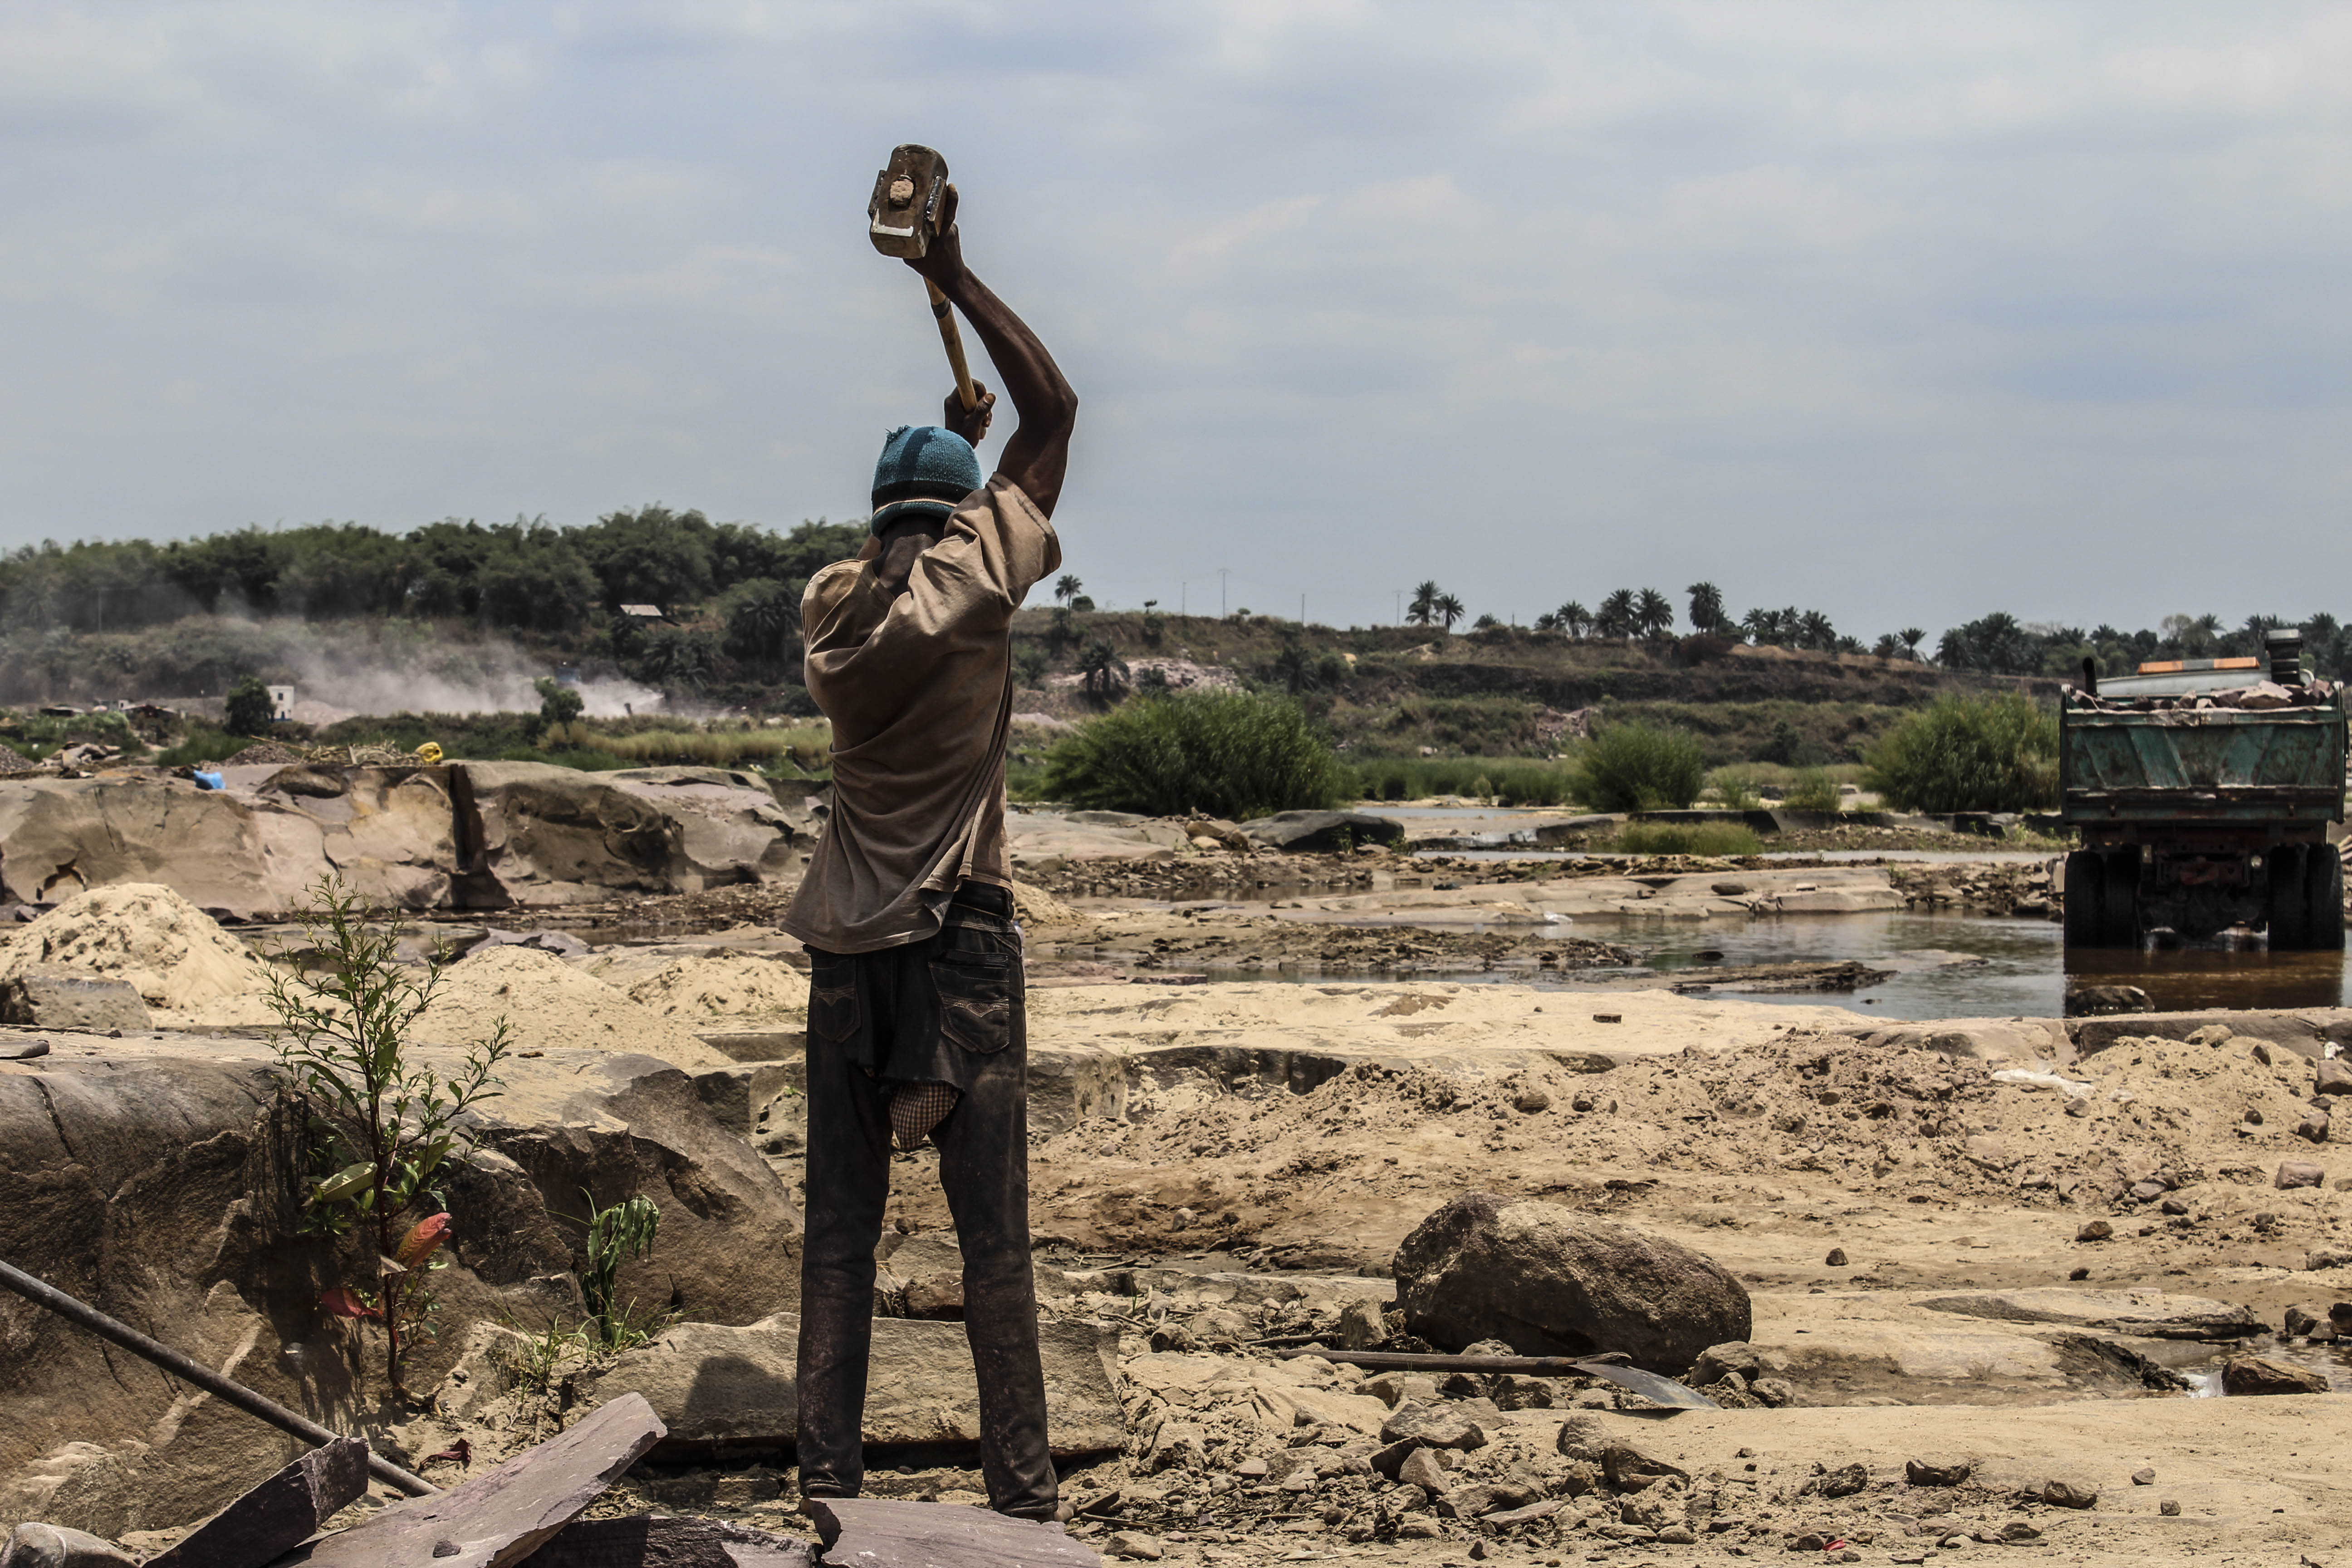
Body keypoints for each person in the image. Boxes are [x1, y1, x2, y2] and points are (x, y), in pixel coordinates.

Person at [778, 181, 1076, 1522]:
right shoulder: (974, 598)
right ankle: (1022, 1509)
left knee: (839, 1248)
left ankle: (827, 1499)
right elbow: (1056, 414)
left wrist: (945, 466)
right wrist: (956, 279)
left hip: (845, 951)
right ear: (968, 528)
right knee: (991, 1249)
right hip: (960, 942)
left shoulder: (834, 618)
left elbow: (896, 548)